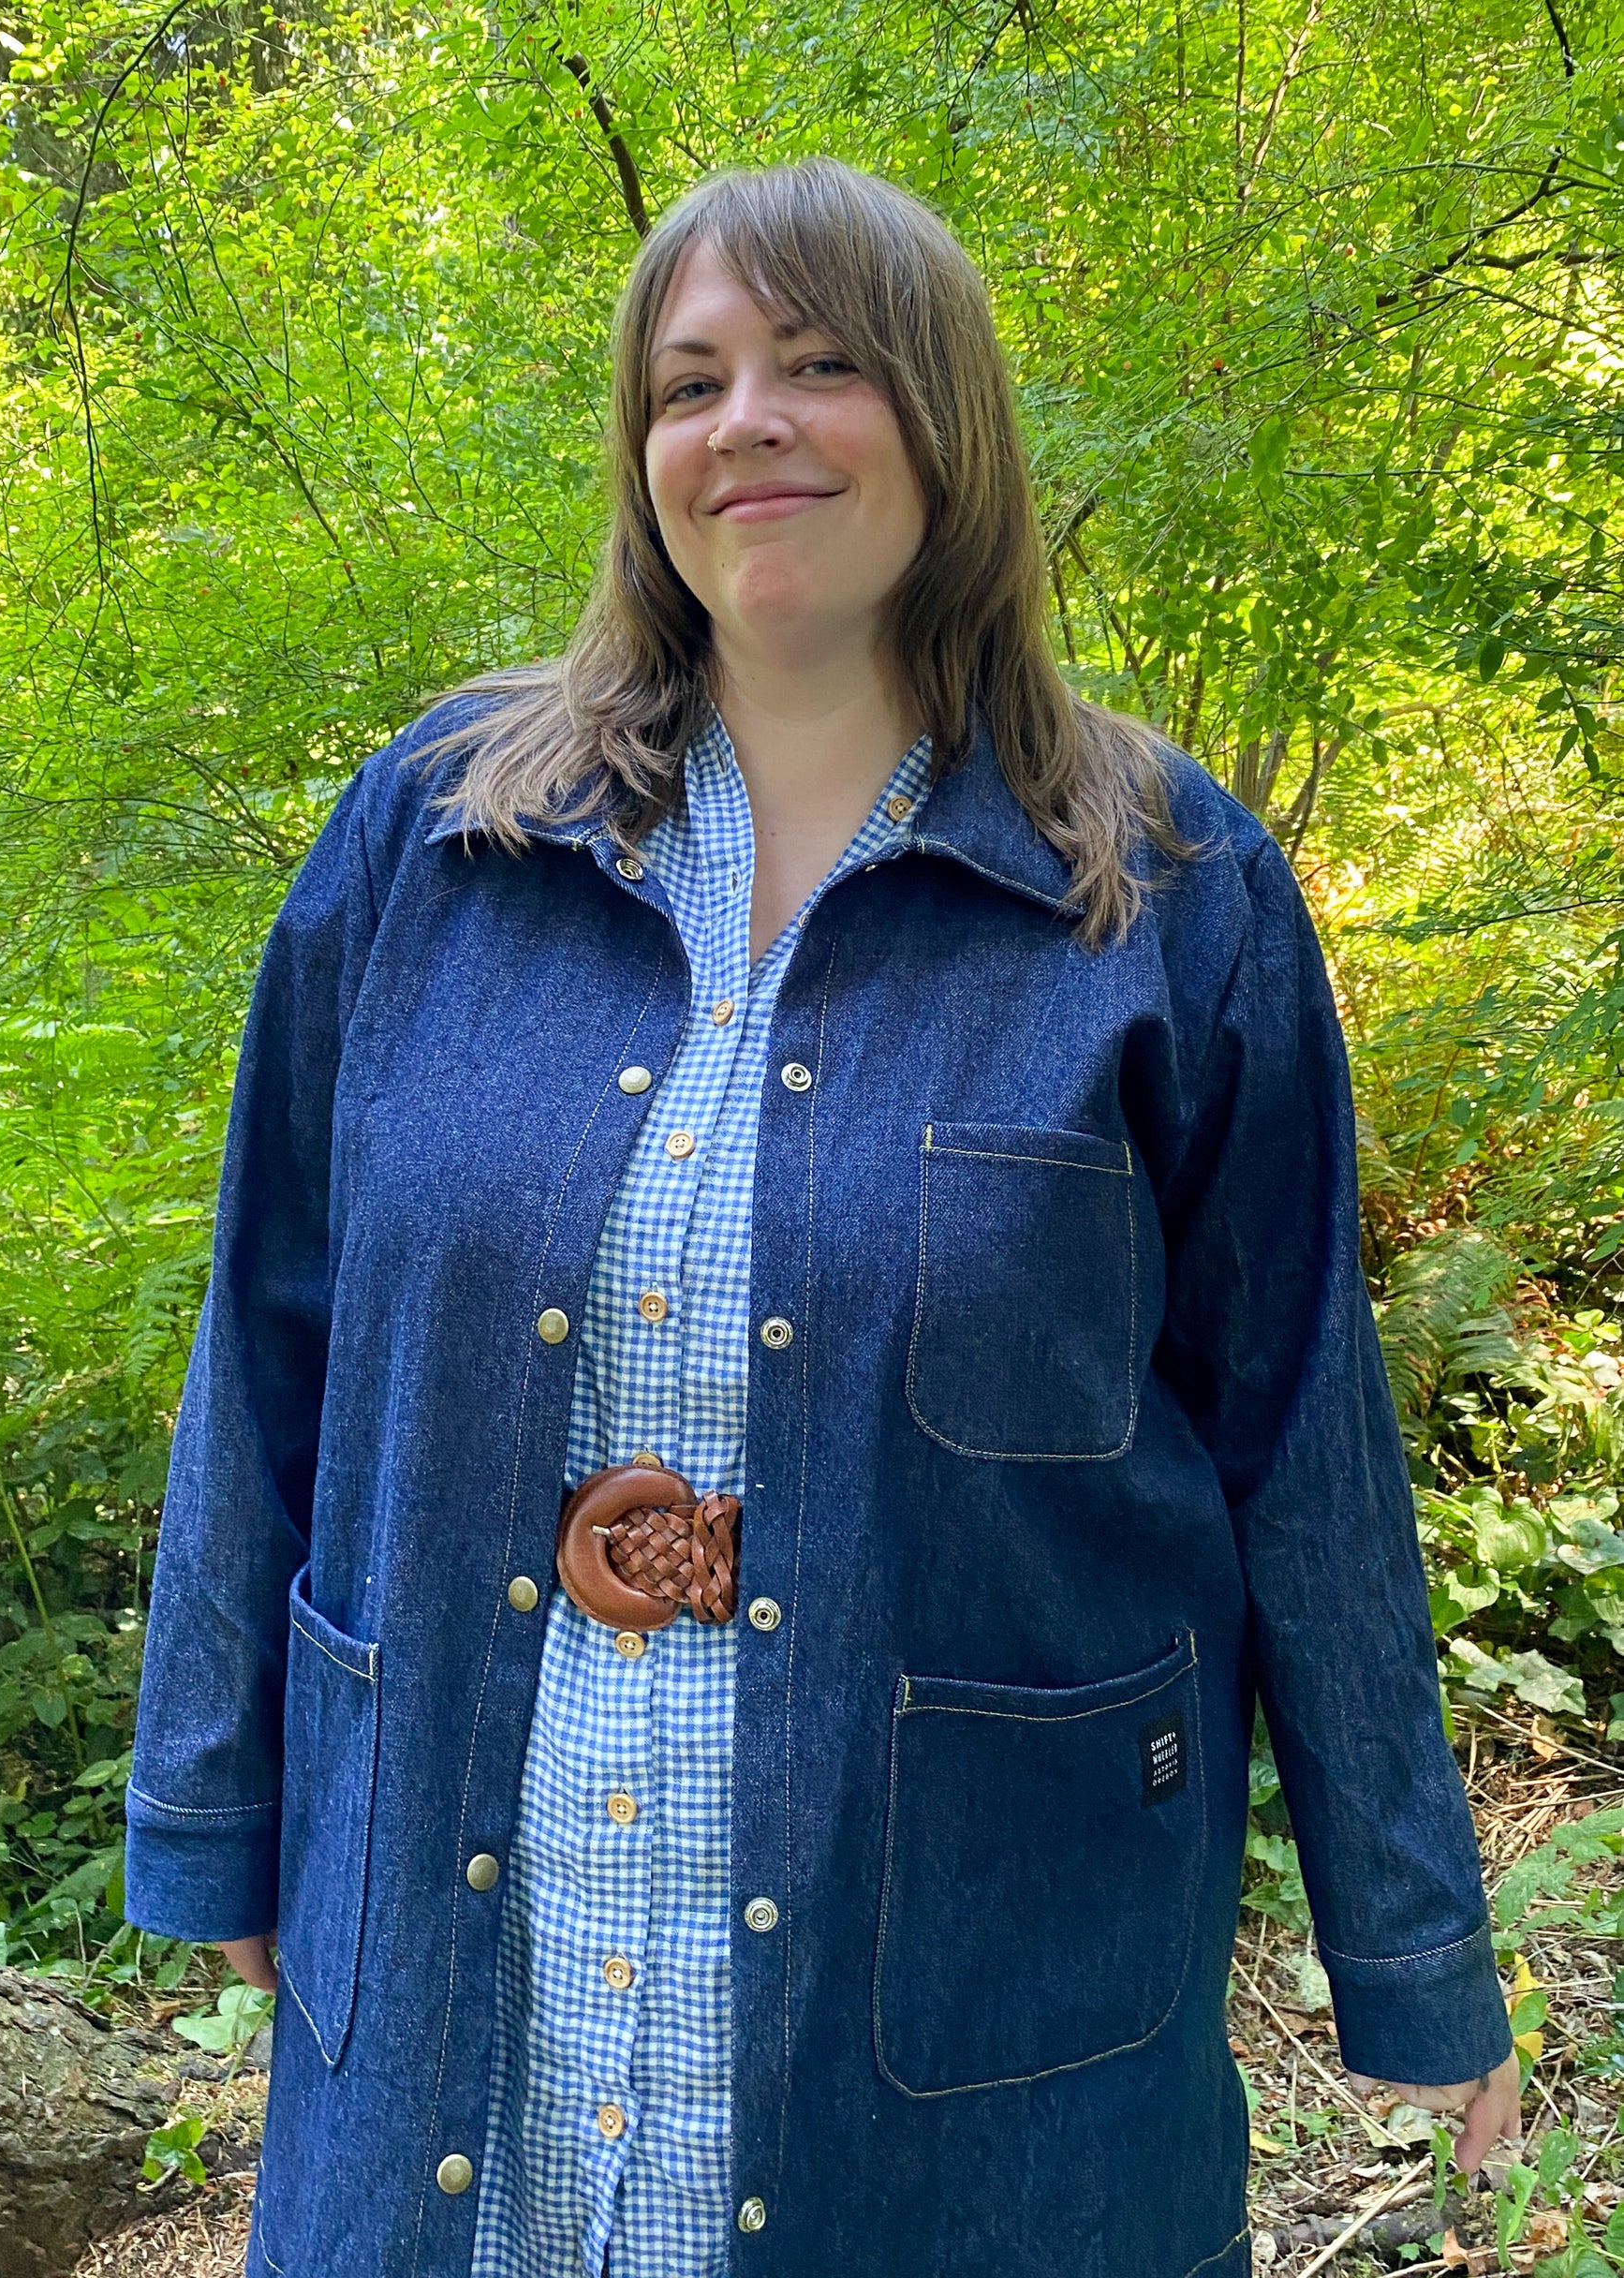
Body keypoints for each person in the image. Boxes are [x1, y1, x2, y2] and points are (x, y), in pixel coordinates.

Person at [124, 156, 1519, 2278]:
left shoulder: (1158, 886)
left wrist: (1407, 1948)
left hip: (966, 1985)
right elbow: (270, 1337)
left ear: (946, 424)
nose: (745, 422)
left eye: (821, 364)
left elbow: (1302, 1431)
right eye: (688, 384)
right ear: (639, 458)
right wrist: (213, 1797)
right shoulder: (437, 836)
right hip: (474, 1935)